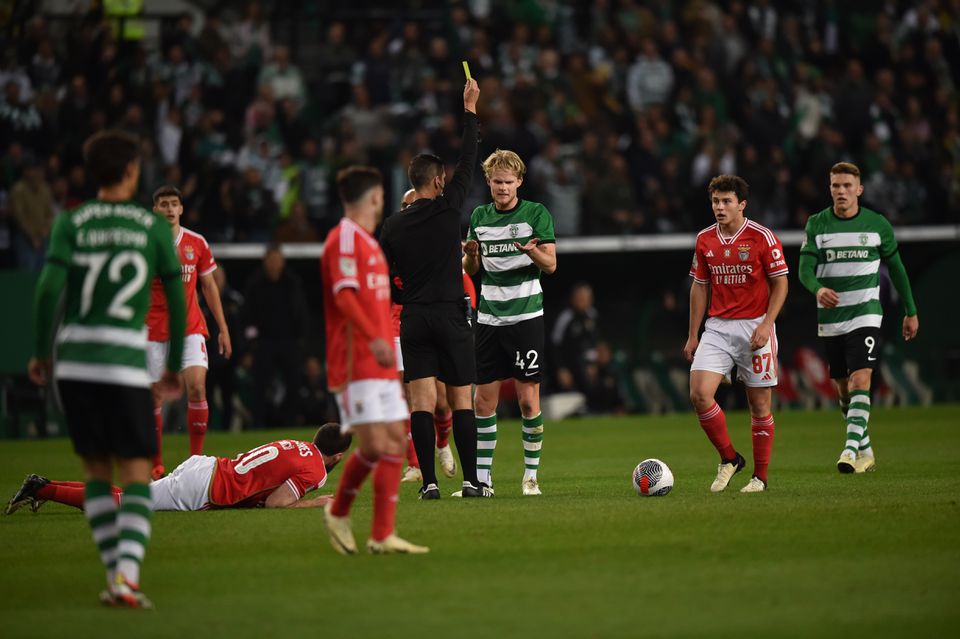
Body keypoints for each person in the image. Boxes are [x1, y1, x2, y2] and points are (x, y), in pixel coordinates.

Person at [28, 130, 186, 608]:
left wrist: (40, 352)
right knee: (137, 472)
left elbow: (46, 290)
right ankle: (127, 576)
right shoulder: (152, 227)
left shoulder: (71, 223)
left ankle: (112, 569)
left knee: (95, 470)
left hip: (74, 360)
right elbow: (177, 300)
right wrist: (173, 366)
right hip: (123, 360)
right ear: (132, 172)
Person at [379, 79, 486, 500]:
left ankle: (428, 483)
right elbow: (469, 156)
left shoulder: (392, 225)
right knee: (460, 401)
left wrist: (403, 300)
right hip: (450, 314)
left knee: (420, 404)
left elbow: (386, 277)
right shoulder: (449, 209)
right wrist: (470, 109)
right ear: (438, 181)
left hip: (414, 318)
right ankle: (472, 481)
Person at [320, 166, 427, 555]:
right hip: (355, 361)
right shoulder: (344, 239)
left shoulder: (367, 243)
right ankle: (339, 510)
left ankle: (381, 533)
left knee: (395, 440)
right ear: (375, 197)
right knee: (375, 444)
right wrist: (374, 339)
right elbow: (346, 298)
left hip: (379, 360)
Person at [798, 162, 919, 474]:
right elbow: (804, 270)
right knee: (843, 387)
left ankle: (850, 451)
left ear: (859, 190)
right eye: (836, 186)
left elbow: (898, 270)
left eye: (847, 186)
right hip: (831, 317)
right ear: (830, 189)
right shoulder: (817, 224)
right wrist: (817, 288)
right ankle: (865, 450)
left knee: (860, 378)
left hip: (865, 314)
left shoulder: (877, 225)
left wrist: (911, 311)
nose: (841, 191)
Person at [683, 175, 789, 493]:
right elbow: (700, 286)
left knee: (759, 406)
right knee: (699, 394)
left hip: (755, 325)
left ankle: (761, 477)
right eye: (716, 201)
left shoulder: (762, 237)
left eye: (727, 201)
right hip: (717, 327)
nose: (720, 207)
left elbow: (781, 283)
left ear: (742, 204)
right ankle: (729, 458)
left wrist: (767, 324)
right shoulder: (705, 239)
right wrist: (693, 334)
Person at [463, 149, 558, 496]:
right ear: (488, 182)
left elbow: (551, 265)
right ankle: (482, 480)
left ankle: (530, 477)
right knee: (483, 402)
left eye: (508, 182)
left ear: (519, 181)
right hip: (488, 318)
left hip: (525, 318)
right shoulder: (478, 216)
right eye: (496, 182)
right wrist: (471, 257)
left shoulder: (535, 213)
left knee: (528, 402)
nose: (502, 188)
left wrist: (531, 250)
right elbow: (472, 271)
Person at [6, 423, 351, 514]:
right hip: (205, 487)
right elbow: (278, 503)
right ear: (336, 458)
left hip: (207, 467)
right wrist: (315, 502)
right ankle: (41, 488)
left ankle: (43, 485)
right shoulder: (317, 470)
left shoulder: (299, 445)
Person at [146, 185, 232, 479]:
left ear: (181, 209)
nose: (169, 209)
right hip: (153, 329)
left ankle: (195, 461)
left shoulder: (197, 242)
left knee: (197, 387)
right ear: (155, 210)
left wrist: (222, 328)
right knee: (154, 396)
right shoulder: (144, 244)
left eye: (174, 204)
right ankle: (156, 463)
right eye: (163, 204)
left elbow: (208, 286)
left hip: (189, 327)